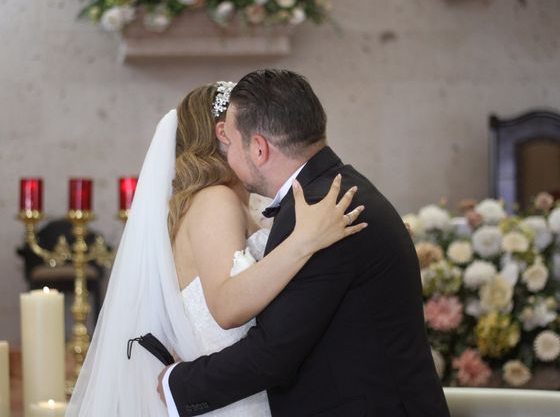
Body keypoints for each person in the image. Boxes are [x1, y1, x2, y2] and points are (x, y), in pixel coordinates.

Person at [159, 69, 451, 417]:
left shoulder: (319, 210)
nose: (229, 158)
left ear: (259, 148)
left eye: (233, 144)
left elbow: (274, 353)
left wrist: (175, 384)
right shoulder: (336, 191)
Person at [66, 81, 366, 416]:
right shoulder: (215, 200)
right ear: (223, 135)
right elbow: (228, 306)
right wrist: (305, 239)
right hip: (237, 401)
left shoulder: (233, 203)